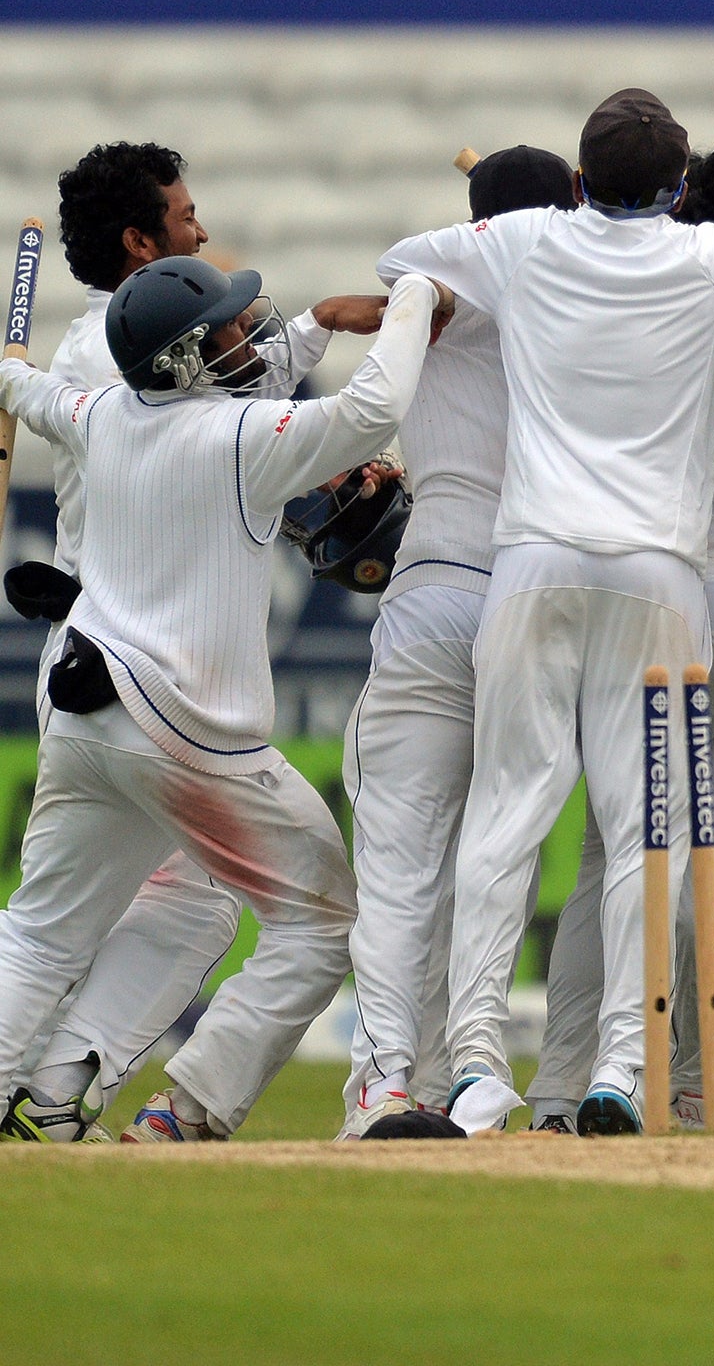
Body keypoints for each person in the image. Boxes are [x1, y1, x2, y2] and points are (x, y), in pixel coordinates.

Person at [378, 91, 714, 1138]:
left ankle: (477, 1069)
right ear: (676, 188)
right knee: (641, 831)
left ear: (579, 183)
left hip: (529, 563)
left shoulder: (524, 240)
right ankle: (623, 1064)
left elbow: (404, 259)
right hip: (657, 577)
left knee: (508, 814)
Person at [0, 256, 443, 1142]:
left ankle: (53, 1098)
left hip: (86, 716)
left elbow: (21, 383)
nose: (249, 339)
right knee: (321, 924)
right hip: (186, 738)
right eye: (231, 331)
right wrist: (416, 302)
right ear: (184, 360)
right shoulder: (243, 437)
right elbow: (372, 413)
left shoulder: (97, 414)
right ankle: (184, 1114)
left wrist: (8, 367)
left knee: (41, 933)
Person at [337, 145, 578, 1140]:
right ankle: (471, 1074)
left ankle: (387, 1083)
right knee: (497, 852)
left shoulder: (426, 291)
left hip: (435, 586)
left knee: (401, 865)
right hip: (539, 594)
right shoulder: (594, 299)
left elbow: (403, 274)